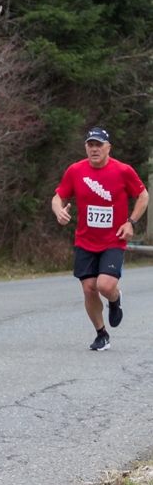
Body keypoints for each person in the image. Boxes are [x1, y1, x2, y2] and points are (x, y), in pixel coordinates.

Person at [52, 127, 149, 351]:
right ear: (85, 147)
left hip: (114, 239)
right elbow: (58, 196)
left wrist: (131, 222)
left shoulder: (123, 171)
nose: (94, 149)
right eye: (90, 145)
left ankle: (115, 299)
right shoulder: (76, 171)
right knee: (88, 288)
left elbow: (143, 195)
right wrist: (59, 211)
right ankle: (101, 333)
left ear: (108, 148)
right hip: (85, 240)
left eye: (99, 145)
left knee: (104, 285)